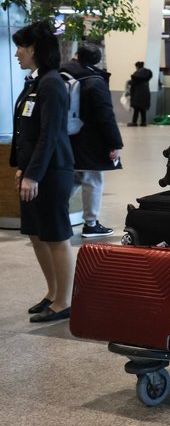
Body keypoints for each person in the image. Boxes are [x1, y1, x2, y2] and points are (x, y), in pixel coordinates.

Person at [10, 22, 76, 322]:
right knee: (37, 234)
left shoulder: (51, 83)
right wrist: (22, 168)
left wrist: (33, 174)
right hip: (35, 170)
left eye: (20, 47)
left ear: (34, 48)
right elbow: (27, 129)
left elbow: (49, 134)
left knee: (55, 235)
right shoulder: (35, 82)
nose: (16, 53)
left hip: (52, 171)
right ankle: (52, 293)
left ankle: (65, 301)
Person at [62, 42, 123, 238]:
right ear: (97, 60)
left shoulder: (60, 74)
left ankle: (54, 215)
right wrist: (115, 143)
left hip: (64, 136)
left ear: (77, 56)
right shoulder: (94, 80)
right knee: (93, 179)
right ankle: (91, 224)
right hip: (90, 140)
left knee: (73, 178)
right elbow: (105, 115)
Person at [127, 61, 151, 127]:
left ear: (137, 66)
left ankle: (134, 122)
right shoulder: (147, 74)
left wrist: (129, 82)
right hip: (146, 93)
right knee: (143, 109)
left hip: (137, 94)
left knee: (136, 109)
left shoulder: (136, 74)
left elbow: (133, 84)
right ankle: (143, 122)